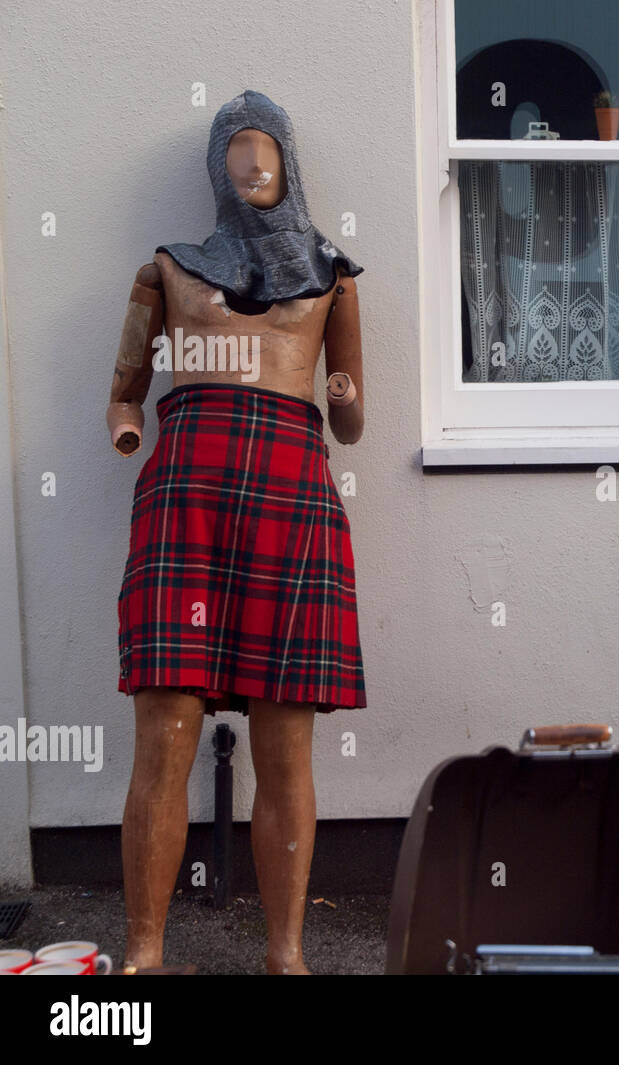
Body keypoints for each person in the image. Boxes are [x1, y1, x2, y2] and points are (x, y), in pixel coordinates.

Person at [109, 91, 367, 973]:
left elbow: (350, 413)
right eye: (237, 151)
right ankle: (145, 950)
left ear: (289, 162)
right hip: (186, 496)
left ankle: (286, 954)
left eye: (265, 150)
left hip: (291, 495)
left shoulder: (333, 275)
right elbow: (124, 392)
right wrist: (125, 426)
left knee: (285, 739)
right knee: (166, 727)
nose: (252, 165)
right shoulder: (169, 269)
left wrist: (344, 400)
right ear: (216, 167)